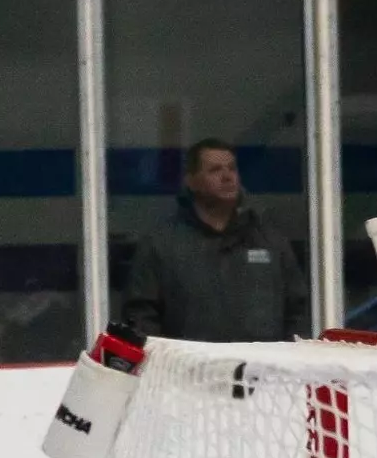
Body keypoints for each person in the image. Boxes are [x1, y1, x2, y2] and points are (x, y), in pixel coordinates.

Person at [121, 139, 309, 342]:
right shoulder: (161, 245)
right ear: (191, 181)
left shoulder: (269, 242)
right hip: (190, 362)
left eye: (232, 168)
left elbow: (298, 312)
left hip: (260, 362)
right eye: (215, 170)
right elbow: (141, 316)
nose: (227, 177)